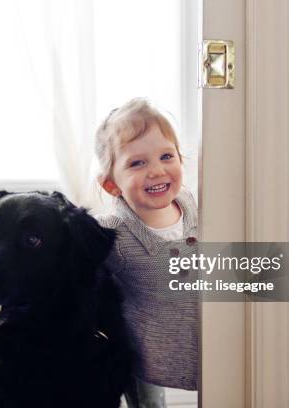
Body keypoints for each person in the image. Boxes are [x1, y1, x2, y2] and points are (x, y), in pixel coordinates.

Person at [94, 98, 198, 407]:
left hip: (201, 342)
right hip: (144, 357)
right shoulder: (112, 232)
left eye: (167, 156)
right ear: (113, 185)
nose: (156, 171)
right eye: (137, 163)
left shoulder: (192, 204)